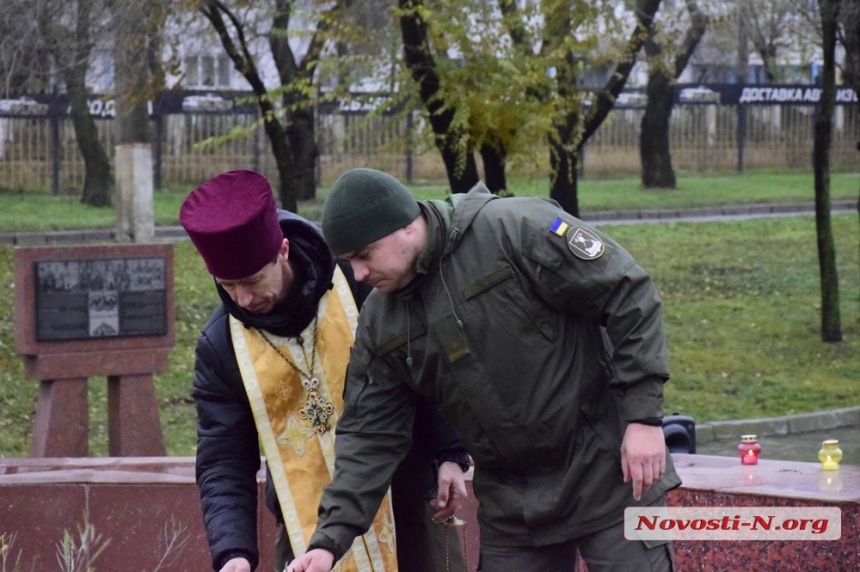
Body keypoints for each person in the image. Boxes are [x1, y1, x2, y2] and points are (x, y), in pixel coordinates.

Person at [288, 168, 683, 572]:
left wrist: (644, 418)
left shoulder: (514, 229)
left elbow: (627, 292)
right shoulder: (380, 322)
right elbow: (370, 433)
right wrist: (329, 541)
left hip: (610, 471)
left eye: (364, 256)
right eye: (348, 262)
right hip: (514, 506)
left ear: (405, 225)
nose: (359, 275)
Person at [179, 170, 471, 572]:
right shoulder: (221, 345)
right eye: (228, 286)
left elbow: (424, 363)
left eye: (251, 280)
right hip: (304, 526)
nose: (243, 299)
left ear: (282, 251)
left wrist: (449, 453)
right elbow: (223, 457)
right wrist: (234, 553)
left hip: (408, 502)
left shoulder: (361, 278)